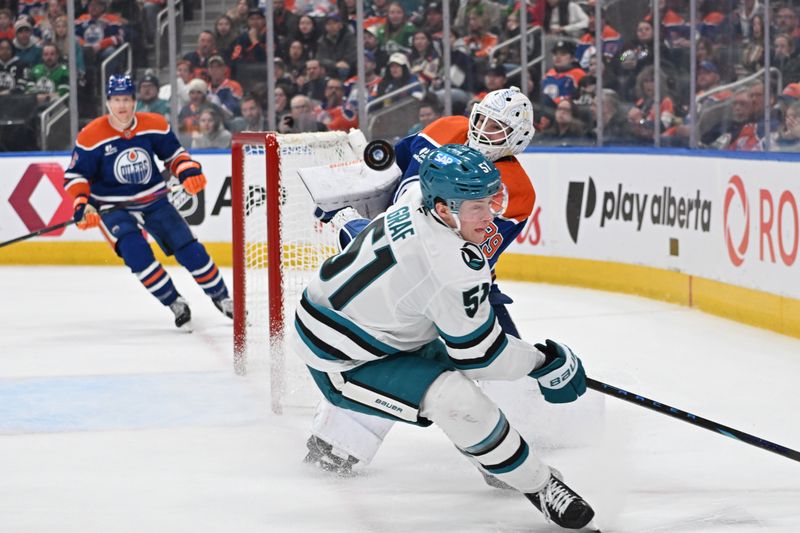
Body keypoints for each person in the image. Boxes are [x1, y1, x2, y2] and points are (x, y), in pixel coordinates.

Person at [292, 143, 595, 530]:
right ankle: (539, 485)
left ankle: (497, 460)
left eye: (491, 201)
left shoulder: (419, 193)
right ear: (443, 210)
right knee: (455, 396)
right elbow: (484, 357)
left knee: (457, 376)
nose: (490, 218)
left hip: (369, 327)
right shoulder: (450, 267)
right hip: (341, 359)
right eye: (477, 208)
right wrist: (544, 361)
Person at [305, 87, 540, 483]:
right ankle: (339, 442)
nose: (482, 131)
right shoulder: (445, 128)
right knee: (400, 354)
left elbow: (462, 251)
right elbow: (390, 171)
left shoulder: (513, 190)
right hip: (397, 265)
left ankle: (506, 447)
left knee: (487, 367)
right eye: (480, 119)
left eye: (497, 129)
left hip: (453, 283)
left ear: (517, 139)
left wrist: (357, 229)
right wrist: (350, 194)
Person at [63, 75, 233, 329]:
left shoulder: (153, 124)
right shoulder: (91, 135)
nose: (122, 106)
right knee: (136, 253)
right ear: (108, 102)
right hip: (111, 207)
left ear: (134, 101)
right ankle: (174, 302)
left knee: (187, 247)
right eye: (116, 100)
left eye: (126, 100)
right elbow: (77, 176)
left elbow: (174, 154)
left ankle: (223, 298)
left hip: (153, 198)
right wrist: (82, 204)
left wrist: (188, 171)